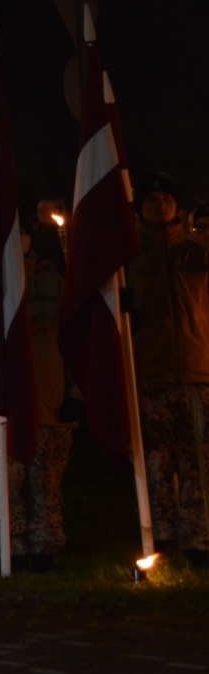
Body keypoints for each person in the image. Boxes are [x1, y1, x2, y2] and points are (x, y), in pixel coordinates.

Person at [0, 228, 82, 568]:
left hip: (48, 400)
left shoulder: (56, 283)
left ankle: (45, 549)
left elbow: (79, 342)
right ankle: (10, 548)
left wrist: (76, 393)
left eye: (21, 235)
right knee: (2, 486)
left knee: (46, 485)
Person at [126, 174, 209, 566]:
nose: (160, 205)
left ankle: (199, 541)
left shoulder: (195, 254)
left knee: (198, 462)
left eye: (166, 199)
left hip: (197, 372)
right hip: (151, 374)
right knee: (157, 463)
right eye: (152, 199)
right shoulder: (129, 257)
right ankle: (161, 537)